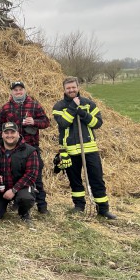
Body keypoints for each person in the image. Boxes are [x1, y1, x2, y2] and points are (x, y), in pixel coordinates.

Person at [52, 77, 116, 219]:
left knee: (97, 179)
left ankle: (103, 209)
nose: (71, 90)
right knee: (74, 180)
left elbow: (97, 123)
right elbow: (63, 123)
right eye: (68, 88)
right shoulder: (58, 106)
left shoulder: (89, 104)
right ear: (64, 90)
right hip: (70, 150)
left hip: (89, 149)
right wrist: (74, 108)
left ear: (78, 87)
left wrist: (84, 114)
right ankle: (79, 206)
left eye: (73, 87)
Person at [0, 81, 51, 214]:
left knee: (36, 178)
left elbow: (46, 122)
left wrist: (35, 122)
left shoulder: (34, 105)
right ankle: (15, 201)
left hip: (31, 148)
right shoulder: (6, 108)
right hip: (12, 149)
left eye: (20, 90)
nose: (18, 92)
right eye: (15, 90)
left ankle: (42, 207)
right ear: (12, 92)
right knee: (12, 175)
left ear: (25, 91)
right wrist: (4, 140)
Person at [0, 122, 39, 224]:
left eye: (12, 132)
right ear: (2, 134)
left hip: (20, 187)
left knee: (25, 198)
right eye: (6, 132)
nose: (9, 135)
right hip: (1, 189)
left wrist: (14, 190)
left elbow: (31, 174)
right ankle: (4, 206)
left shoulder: (29, 150)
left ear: (18, 133)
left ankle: (24, 212)